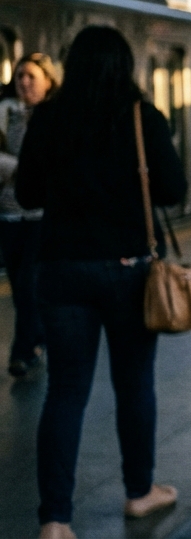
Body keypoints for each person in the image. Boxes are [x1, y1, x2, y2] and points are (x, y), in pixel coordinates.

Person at [16, 26, 187, 538]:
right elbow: (174, 188)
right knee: (134, 385)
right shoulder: (139, 116)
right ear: (125, 66)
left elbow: (26, 196)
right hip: (128, 270)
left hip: (62, 270)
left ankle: (54, 520)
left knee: (65, 393)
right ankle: (139, 493)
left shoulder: (49, 116)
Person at [0, 53, 60, 380]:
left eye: (31, 76)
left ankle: (23, 350)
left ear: (48, 81)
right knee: (19, 282)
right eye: (20, 76)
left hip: (41, 214)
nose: (24, 82)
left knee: (28, 281)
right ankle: (37, 339)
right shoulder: (5, 113)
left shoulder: (54, 116)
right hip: (8, 212)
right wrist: (21, 169)